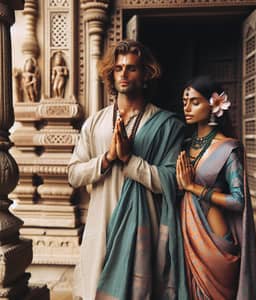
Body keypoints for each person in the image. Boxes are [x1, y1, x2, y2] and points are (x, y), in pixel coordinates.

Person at [68, 40, 188, 300]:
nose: (123, 73)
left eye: (131, 68)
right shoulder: (95, 123)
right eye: (118, 68)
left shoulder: (166, 125)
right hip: (101, 224)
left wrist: (130, 161)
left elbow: (172, 180)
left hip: (144, 229)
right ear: (111, 73)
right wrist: (108, 158)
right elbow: (74, 174)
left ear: (146, 74)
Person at [176, 76, 256, 300]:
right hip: (185, 235)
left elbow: (238, 201)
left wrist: (193, 187)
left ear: (213, 105)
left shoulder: (228, 148)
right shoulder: (182, 145)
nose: (187, 107)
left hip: (214, 243)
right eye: (185, 101)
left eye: (195, 102)